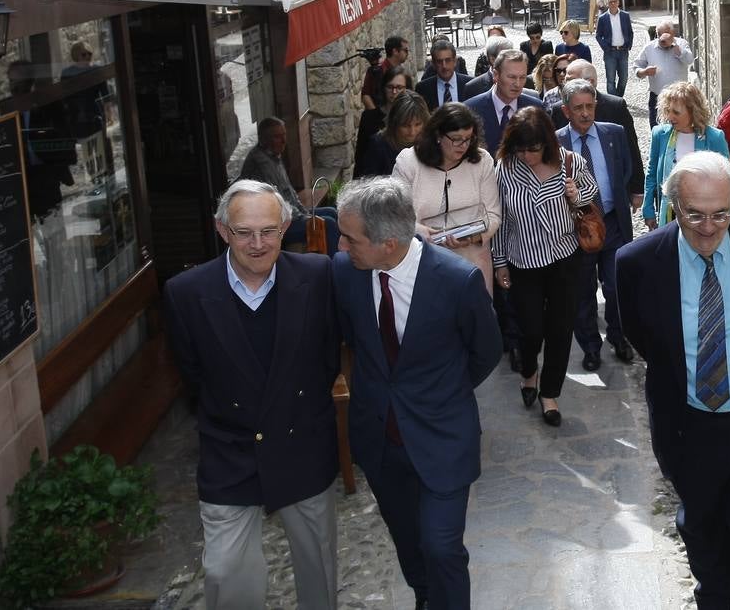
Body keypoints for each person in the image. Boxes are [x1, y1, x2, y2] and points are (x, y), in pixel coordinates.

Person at [615, 152, 730, 610]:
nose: (709, 226)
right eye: (695, 214)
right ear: (673, 206)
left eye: (721, 213)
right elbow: (643, 338)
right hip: (688, 428)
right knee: (705, 543)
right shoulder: (637, 262)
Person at [164, 180, 340, 610]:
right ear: (222, 231)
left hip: (303, 444)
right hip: (230, 450)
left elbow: (328, 358)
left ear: (285, 228)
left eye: (268, 231)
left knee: (318, 569)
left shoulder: (319, 277)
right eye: (244, 232)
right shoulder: (185, 293)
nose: (258, 244)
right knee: (225, 572)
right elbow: (192, 377)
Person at [334, 177, 502, 610]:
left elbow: (486, 351)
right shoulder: (346, 273)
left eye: (350, 237)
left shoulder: (457, 281)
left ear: (388, 243)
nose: (342, 244)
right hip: (380, 444)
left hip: (444, 440)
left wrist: (442, 393)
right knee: (410, 546)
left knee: (442, 546)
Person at [492, 107, 598, 427]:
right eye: (521, 149)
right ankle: (528, 373)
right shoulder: (506, 169)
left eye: (533, 149)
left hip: (565, 259)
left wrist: (576, 194)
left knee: (560, 328)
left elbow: (592, 193)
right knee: (531, 328)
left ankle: (549, 392)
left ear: (547, 143)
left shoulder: (570, 162)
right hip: (523, 259)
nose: (527, 155)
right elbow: (500, 220)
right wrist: (499, 263)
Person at [555, 79, 637, 371]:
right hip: (576, 229)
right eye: (578, 108)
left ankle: (618, 336)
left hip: (612, 223)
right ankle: (590, 346)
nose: (586, 113)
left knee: (616, 286)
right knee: (582, 292)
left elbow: (625, 169)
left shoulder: (613, 134)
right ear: (566, 111)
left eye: (590, 106)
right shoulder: (556, 144)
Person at [393, 102, 501, 296]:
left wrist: (473, 237)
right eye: (456, 139)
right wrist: (430, 235)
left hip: (472, 264)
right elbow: (397, 216)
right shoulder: (408, 163)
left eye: (468, 139)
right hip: (422, 261)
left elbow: (493, 215)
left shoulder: (482, 160)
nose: (463, 146)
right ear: (437, 136)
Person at [239, 118, 342, 257]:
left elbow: (289, 192)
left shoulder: (274, 156)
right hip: (278, 224)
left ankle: (339, 257)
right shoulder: (261, 162)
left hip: (292, 215)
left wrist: (303, 212)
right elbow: (277, 201)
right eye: (277, 137)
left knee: (331, 212)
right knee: (327, 224)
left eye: (284, 135)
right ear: (264, 139)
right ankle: (334, 268)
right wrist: (304, 217)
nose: (283, 141)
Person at [550, 58, 643, 200]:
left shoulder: (615, 107)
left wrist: (637, 189)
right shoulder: (558, 110)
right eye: (565, 80)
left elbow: (631, 149)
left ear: (590, 82)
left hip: (612, 205)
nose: (565, 84)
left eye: (571, 80)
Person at [643, 82, 730, 228]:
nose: (670, 117)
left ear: (692, 111)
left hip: (702, 214)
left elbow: (727, 179)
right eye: (668, 110)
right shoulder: (660, 134)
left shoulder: (714, 138)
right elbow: (651, 173)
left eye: (676, 112)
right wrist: (648, 209)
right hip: (669, 213)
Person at [464, 49, 543, 153]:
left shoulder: (537, 109)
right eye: (512, 77)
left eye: (522, 77)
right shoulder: (471, 109)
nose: (518, 84)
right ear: (496, 75)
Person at [356, 90, 428, 179]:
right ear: (395, 122)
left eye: (417, 124)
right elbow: (369, 182)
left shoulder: (430, 144)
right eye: (405, 125)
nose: (412, 132)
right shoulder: (378, 145)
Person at [634, 22, 694, 124]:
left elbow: (689, 60)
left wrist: (675, 46)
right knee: (656, 129)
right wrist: (644, 71)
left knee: (680, 128)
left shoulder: (682, 43)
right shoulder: (649, 48)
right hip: (657, 97)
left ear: (672, 33)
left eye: (665, 34)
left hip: (679, 97)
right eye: (659, 35)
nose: (662, 38)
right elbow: (637, 67)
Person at [593, 0, 634, 97]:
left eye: (615, 1)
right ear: (607, 4)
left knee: (624, 78)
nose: (613, 4)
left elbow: (630, 32)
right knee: (610, 79)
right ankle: (613, 101)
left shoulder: (625, 15)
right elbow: (598, 35)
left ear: (618, 2)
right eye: (611, 2)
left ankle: (618, 99)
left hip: (623, 50)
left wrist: (628, 45)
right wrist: (605, 47)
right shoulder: (603, 18)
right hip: (610, 52)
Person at [415, 40, 469, 110]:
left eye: (448, 60)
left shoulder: (469, 85)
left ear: (455, 61)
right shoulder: (423, 88)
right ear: (433, 64)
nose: (444, 66)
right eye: (439, 62)